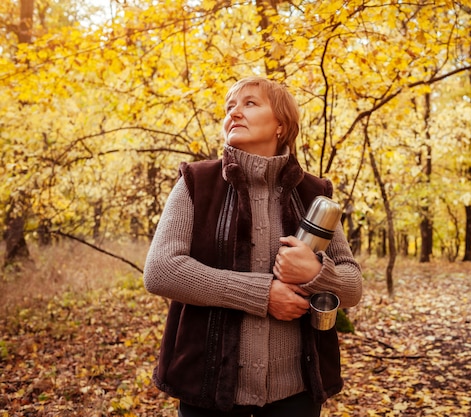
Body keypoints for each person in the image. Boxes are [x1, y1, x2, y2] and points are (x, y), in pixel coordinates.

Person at [143, 76, 363, 417]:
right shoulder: (196, 183)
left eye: (250, 103)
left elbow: (352, 285)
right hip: (209, 389)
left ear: (281, 125)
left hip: (297, 394)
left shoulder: (313, 194)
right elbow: (161, 271)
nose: (235, 112)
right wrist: (262, 294)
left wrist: (318, 273)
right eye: (230, 107)